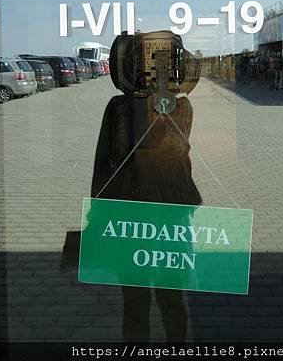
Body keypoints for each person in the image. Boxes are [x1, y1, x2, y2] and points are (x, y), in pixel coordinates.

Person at [90, 31, 201, 342]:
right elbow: (105, 162)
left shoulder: (179, 107)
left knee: (170, 300)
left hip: (162, 215)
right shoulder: (119, 108)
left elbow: (165, 149)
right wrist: (96, 214)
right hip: (135, 212)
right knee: (138, 301)